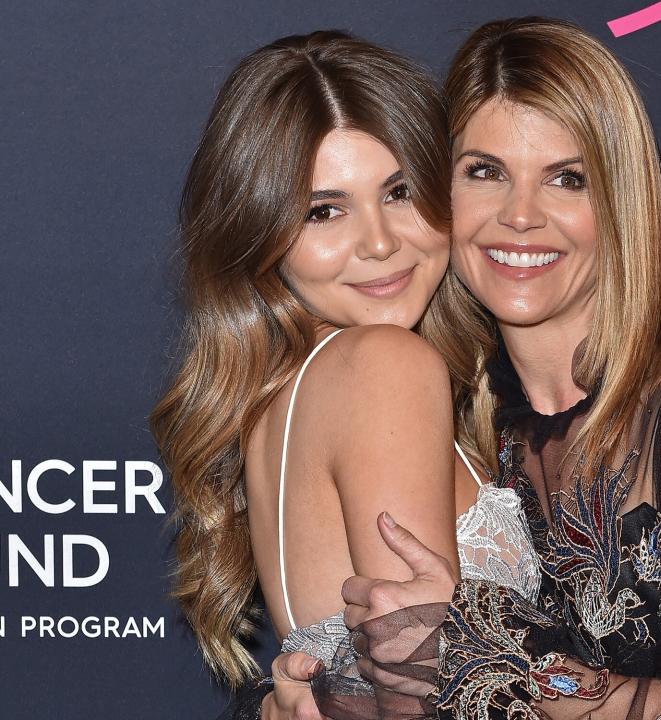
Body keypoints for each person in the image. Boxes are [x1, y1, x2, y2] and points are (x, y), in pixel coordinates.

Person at [270, 17, 661, 720]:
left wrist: (480, 645)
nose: (520, 216)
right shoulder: (473, 427)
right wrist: (327, 698)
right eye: (485, 173)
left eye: (566, 179)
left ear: (619, 201)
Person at [150, 30, 540, 719]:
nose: (381, 241)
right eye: (323, 211)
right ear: (262, 236)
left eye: (399, 190)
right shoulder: (383, 365)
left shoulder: (289, 394)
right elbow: (418, 699)